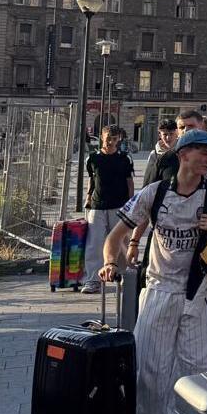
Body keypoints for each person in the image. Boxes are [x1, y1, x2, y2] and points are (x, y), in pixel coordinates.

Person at [98, 129, 207, 414]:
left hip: (199, 291)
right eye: (202, 151)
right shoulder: (154, 193)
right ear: (182, 154)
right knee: (151, 366)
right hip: (159, 289)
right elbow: (115, 235)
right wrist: (110, 263)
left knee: (196, 368)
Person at [81, 124, 135, 295]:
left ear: (119, 139)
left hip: (119, 206)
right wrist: (88, 198)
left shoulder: (125, 158)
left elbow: (129, 181)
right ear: (102, 137)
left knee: (121, 241)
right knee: (94, 244)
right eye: (107, 138)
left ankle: (124, 276)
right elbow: (92, 179)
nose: (110, 141)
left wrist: (131, 203)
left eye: (114, 138)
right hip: (97, 206)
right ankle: (92, 280)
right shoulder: (93, 159)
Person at [156, 109, 207, 193]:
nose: (186, 130)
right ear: (177, 131)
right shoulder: (165, 159)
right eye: (182, 127)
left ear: (201, 126)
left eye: (191, 126)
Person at [142, 117, 179, 183]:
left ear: (176, 133)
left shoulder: (183, 151)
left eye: (171, 134)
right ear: (160, 135)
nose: (168, 137)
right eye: (165, 134)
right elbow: (149, 178)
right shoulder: (154, 154)